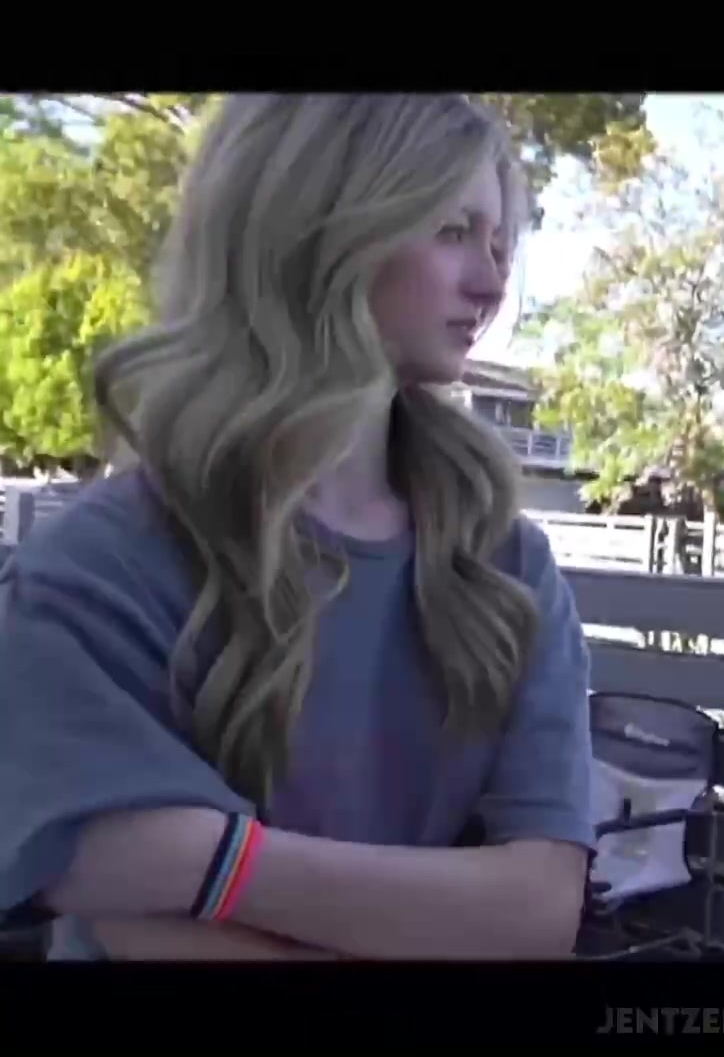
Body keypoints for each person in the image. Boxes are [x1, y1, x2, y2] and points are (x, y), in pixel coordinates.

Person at [0, 95, 595, 960]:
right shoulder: (98, 567)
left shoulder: (509, 568)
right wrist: (445, 916)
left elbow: (537, 908)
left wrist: (217, 865)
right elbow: (139, 927)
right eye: (452, 232)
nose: (491, 284)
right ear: (314, 229)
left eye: (499, 243)